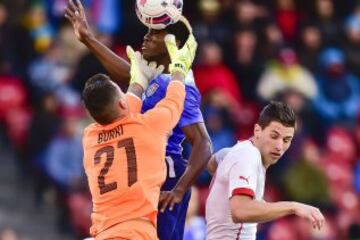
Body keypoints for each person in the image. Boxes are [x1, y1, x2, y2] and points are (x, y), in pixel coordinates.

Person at [65, 1, 212, 239]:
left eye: (154, 33)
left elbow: (203, 144)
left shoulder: (183, 87)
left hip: (166, 172)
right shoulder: (159, 76)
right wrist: (88, 39)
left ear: (171, 44)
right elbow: (132, 78)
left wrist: (178, 190)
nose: (146, 37)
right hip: (145, 170)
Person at [206, 101, 325, 240]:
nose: (279, 146)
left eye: (287, 140)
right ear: (257, 130)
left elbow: (211, 164)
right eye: (274, 136)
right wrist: (293, 207)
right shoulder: (248, 155)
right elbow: (240, 211)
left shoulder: (239, 152)